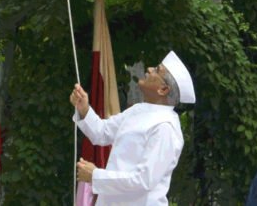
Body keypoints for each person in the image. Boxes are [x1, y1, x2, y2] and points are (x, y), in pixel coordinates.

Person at [70, 50, 194, 205]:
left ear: (163, 89)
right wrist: (84, 109)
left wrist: (95, 176)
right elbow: (102, 133)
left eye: (157, 70)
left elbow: (144, 180)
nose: (149, 69)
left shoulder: (165, 127)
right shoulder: (138, 110)